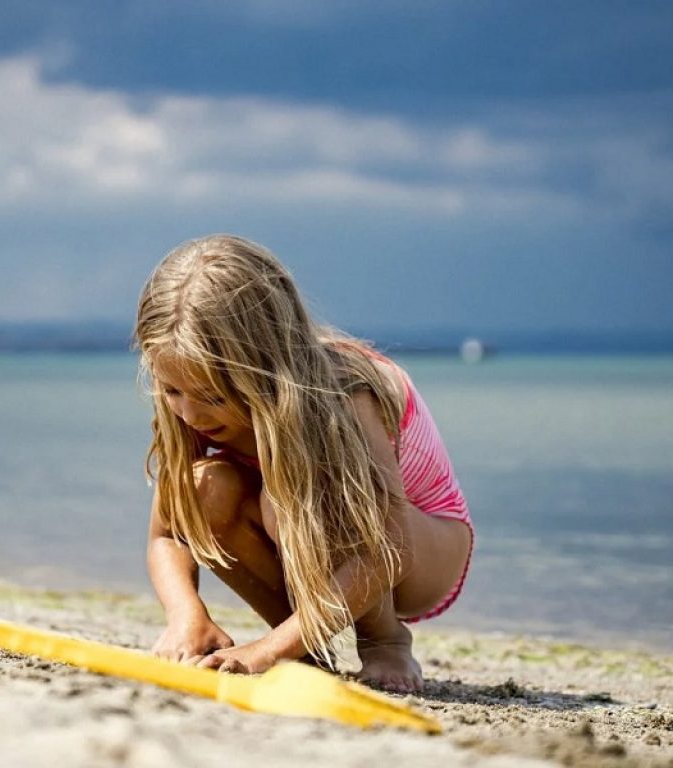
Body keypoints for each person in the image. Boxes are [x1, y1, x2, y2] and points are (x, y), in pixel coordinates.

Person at [134, 234, 473, 694]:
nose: (191, 414)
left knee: (289, 493)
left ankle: (385, 637)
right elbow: (167, 534)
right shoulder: (190, 384)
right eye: (172, 391)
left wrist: (267, 652)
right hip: (309, 542)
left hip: (421, 551)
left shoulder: (344, 392)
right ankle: (304, 649)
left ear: (264, 367)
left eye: (213, 397)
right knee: (201, 490)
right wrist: (187, 616)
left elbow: (389, 546)